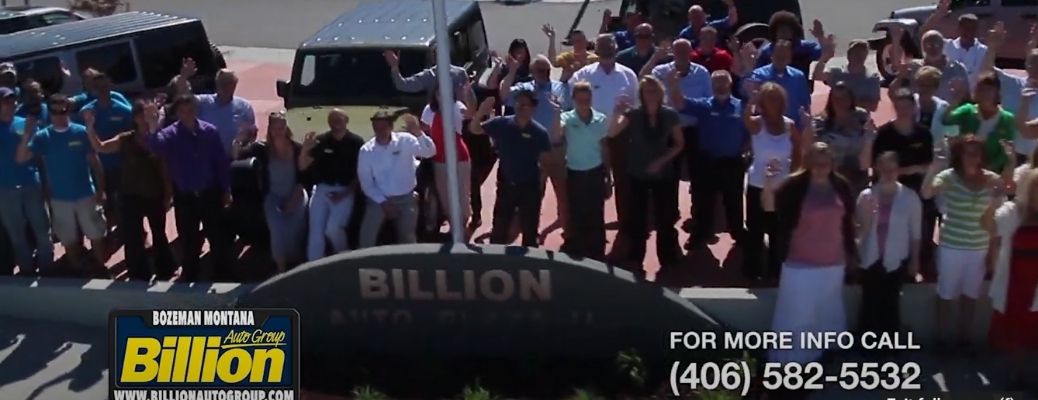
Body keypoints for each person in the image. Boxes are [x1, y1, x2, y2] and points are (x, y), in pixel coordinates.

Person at [765, 142, 857, 364]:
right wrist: (768, 181)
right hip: (800, 264)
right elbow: (768, 206)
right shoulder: (793, 186)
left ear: (832, 163)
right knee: (798, 316)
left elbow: (849, 221)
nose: (820, 167)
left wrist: (852, 250)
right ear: (808, 163)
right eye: (816, 162)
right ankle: (793, 364)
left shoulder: (841, 185)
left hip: (833, 262)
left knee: (828, 312)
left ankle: (823, 358)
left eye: (825, 162)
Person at [921, 135, 1013, 348]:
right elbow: (926, 193)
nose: (973, 157)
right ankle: (942, 340)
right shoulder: (948, 177)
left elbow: (1007, 189)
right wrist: (935, 165)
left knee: (970, 296)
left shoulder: (991, 179)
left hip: (979, 248)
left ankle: (965, 340)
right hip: (951, 247)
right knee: (946, 295)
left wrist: (1010, 161)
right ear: (959, 155)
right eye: (968, 153)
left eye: (977, 153)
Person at [143, 95, 233, 282]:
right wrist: (152, 125)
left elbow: (221, 163)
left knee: (217, 236)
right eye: (183, 111)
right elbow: (155, 146)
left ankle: (222, 274)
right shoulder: (170, 134)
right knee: (188, 239)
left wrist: (226, 189)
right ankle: (191, 274)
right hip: (186, 197)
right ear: (177, 113)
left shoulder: (210, 132)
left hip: (210, 193)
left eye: (190, 110)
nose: (187, 114)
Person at [83, 99, 175, 281]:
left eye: (148, 114)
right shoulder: (125, 139)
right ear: (134, 117)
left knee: (159, 232)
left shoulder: (159, 138)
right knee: (133, 237)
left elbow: (165, 168)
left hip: (154, 192)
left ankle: (165, 269)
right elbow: (100, 147)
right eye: (141, 114)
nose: (144, 118)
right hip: (130, 194)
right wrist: (90, 127)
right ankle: (139, 273)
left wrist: (168, 193)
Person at [16, 94, 107, 274]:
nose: (59, 115)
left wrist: (101, 189)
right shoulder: (43, 137)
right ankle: (76, 269)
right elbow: (21, 158)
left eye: (63, 110)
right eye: (54, 111)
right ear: (49, 112)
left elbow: (95, 162)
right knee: (68, 238)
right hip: (59, 199)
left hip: (86, 194)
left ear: (68, 111)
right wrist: (26, 135)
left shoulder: (81, 132)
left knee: (96, 234)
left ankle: (101, 267)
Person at [570, 34, 640, 253]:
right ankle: (591, 232)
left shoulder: (628, 75)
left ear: (616, 47)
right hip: (591, 136)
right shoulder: (583, 74)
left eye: (610, 45)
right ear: (596, 49)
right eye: (602, 46)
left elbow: (636, 107)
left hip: (620, 137)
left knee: (623, 183)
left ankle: (626, 227)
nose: (607, 49)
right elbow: (569, 101)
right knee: (591, 183)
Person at [608, 76, 685, 270]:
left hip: (663, 174)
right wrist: (616, 112)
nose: (651, 94)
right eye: (647, 91)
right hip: (637, 173)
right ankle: (635, 257)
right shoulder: (633, 114)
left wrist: (661, 161)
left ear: (661, 92)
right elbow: (612, 133)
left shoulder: (670, 115)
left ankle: (667, 257)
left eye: (654, 90)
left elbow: (679, 143)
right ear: (641, 94)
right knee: (637, 219)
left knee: (665, 218)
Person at [863, 88, 937, 276]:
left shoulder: (923, 134)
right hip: (889, 192)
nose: (903, 110)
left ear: (914, 108)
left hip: (918, 191)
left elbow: (929, 164)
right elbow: (876, 164)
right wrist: (904, 171)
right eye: (899, 106)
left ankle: (920, 269)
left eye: (907, 106)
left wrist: (914, 170)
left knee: (921, 233)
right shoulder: (885, 134)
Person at [742, 82, 811, 281]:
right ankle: (753, 269)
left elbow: (799, 150)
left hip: (781, 187)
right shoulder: (757, 123)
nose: (773, 101)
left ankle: (776, 270)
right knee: (755, 229)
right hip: (758, 185)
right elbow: (745, 119)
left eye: (776, 98)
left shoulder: (789, 125)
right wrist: (751, 102)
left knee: (779, 231)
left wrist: (794, 174)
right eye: (769, 97)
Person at [672, 70, 748, 249]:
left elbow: (751, 129)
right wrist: (674, 85)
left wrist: (746, 147)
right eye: (716, 83)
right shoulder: (704, 105)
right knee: (703, 201)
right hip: (707, 162)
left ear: (730, 84)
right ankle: (700, 234)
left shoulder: (742, 106)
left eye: (724, 83)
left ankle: (737, 232)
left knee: (734, 201)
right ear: (711, 86)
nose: (720, 86)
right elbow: (679, 102)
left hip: (732, 162)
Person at [500, 55, 573, 236]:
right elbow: (504, 95)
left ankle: (569, 235)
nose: (545, 74)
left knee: (564, 196)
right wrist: (512, 71)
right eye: (540, 71)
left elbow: (571, 112)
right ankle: (529, 234)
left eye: (547, 70)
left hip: (557, 149)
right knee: (532, 198)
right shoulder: (525, 91)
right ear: (532, 72)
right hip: (533, 152)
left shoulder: (561, 88)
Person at [469, 93, 552, 247]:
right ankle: (496, 260)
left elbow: (546, 162)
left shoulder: (539, 132)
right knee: (500, 226)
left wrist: (539, 187)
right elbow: (475, 129)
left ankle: (529, 263)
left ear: (533, 109)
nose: (521, 108)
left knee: (529, 228)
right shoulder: (502, 124)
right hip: (506, 184)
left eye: (525, 105)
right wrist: (480, 113)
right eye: (518, 103)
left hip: (529, 186)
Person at [856, 151, 923, 339]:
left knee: (891, 304)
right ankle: (867, 346)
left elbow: (916, 233)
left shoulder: (910, 197)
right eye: (884, 169)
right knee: (869, 302)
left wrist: (914, 262)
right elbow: (859, 228)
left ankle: (890, 347)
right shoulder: (866, 196)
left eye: (892, 169)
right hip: (870, 257)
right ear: (877, 169)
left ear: (898, 171)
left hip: (896, 259)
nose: (888, 173)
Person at [982, 168, 1038, 388]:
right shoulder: (1014, 211)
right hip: (1016, 280)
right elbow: (989, 227)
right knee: (1016, 330)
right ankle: (1017, 375)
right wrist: (993, 204)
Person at [232, 111, 306, 273]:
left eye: (282, 126)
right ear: (270, 128)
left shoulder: (297, 148)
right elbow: (237, 155)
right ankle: (281, 269)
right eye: (275, 127)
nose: (278, 130)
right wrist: (239, 140)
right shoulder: (262, 148)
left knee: (295, 229)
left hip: (295, 193)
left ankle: (298, 265)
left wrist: (293, 199)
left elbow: (304, 177)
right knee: (277, 229)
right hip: (273, 196)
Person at [357, 112, 436, 248]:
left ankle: (410, 267)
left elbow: (429, 152)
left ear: (391, 126)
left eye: (383, 127)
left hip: (406, 199)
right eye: (377, 128)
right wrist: (383, 203)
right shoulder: (366, 151)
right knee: (366, 237)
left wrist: (418, 133)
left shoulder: (406, 140)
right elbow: (366, 183)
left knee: (408, 238)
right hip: (379, 200)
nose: (380, 131)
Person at [556, 82, 613, 260]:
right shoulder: (566, 118)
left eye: (587, 100)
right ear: (573, 99)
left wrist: (608, 176)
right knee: (577, 213)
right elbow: (557, 134)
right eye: (579, 100)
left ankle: (597, 253)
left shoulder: (601, 119)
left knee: (596, 213)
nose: (583, 103)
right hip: (575, 174)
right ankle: (578, 253)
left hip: (596, 172)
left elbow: (604, 148)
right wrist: (554, 114)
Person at [298, 109, 365, 261]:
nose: (336, 123)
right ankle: (314, 267)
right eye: (333, 120)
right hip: (322, 189)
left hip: (345, 191)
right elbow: (303, 166)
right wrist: (304, 150)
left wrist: (346, 193)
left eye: (339, 120)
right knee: (316, 232)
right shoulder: (321, 141)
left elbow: (360, 173)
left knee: (333, 229)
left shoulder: (356, 142)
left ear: (346, 121)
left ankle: (344, 259)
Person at [0, 87, 52, 275]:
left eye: (13, 100)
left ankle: (47, 270)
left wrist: (46, 184)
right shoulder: (25, 126)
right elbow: (18, 157)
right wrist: (27, 135)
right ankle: (26, 270)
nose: (11, 104)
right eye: (6, 101)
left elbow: (38, 156)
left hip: (31, 184)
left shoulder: (25, 123)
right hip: (5, 189)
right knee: (17, 234)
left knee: (42, 230)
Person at [79, 72, 134, 228]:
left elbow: (132, 133)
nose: (102, 89)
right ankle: (109, 232)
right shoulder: (86, 112)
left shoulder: (123, 110)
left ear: (110, 86)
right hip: (98, 167)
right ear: (93, 89)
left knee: (126, 201)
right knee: (104, 201)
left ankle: (135, 231)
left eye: (105, 86)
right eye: (98, 87)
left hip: (121, 164)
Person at [980, 24, 1038, 166]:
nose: (1036, 68)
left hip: (1034, 159)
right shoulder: (1013, 83)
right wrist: (992, 48)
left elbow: (1026, 130)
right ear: (1026, 65)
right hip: (1007, 155)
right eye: (1033, 63)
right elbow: (986, 72)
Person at [422, 88, 472, 237]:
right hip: (439, 159)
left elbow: (469, 114)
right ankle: (453, 226)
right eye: (438, 93)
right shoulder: (429, 110)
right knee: (444, 195)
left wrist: (469, 94)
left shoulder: (457, 106)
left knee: (462, 193)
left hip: (460, 157)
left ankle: (463, 226)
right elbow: (424, 129)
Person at [942, 72, 1016, 173]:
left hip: (991, 173)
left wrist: (987, 170)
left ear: (997, 92)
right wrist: (956, 100)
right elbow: (946, 120)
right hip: (962, 170)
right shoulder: (967, 111)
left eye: (989, 90)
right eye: (981, 89)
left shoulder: (1007, 119)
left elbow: (1005, 153)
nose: (985, 93)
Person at [813, 82, 871, 193]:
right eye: (836, 98)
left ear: (851, 99)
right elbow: (815, 149)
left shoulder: (861, 117)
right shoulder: (821, 121)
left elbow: (870, 139)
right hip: (832, 177)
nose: (840, 102)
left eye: (844, 98)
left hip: (858, 176)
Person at [890, 27, 970, 101]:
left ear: (943, 46)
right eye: (928, 45)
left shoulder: (957, 69)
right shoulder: (913, 68)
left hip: (948, 114)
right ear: (922, 47)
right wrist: (900, 79)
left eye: (936, 44)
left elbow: (968, 99)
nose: (933, 48)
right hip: (920, 114)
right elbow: (896, 95)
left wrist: (960, 93)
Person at [745, 39, 811, 128]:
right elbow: (748, 95)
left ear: (789, 58)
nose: (781, 58)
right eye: (778, 55)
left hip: (793, 129)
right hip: (767, 129)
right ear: (772, 55)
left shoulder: (798, 76)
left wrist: (806, 126)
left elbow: (805, 104)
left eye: (784, 56)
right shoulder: (759, 75)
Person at [754, 13, 825, 93]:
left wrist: (821, 37)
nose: (784, 33)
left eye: (787, 30)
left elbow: (822, 54)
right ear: (775, 32)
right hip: (775, 93)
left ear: (794, 31)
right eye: (780, 30)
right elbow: (757, 75)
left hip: (801, 91)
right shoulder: (767, 52)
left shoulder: (806, 47)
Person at [919, 0, 988, 82]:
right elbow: (925, 34)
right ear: (958, 29)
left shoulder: (984, 51)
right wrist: (938, 14)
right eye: (965, 28)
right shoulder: (946, 46)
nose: (968, 31)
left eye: (972, 28)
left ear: (977, 30)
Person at [813, 39, 882, 112]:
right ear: (849, 54)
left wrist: (846, 101)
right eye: (855, 53)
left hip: (859, 120)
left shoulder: (872, 78)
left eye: (862, 53)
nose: (858, 57)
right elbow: (817, 76)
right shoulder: (837, 73)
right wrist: (824, 58)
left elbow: (873, 107)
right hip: (836, 119)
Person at [384, 49, 475, 104]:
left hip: (460, 115)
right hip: (437, 116)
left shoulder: (460, 73)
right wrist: (394, 67)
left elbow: (469, 96)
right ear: (433, 57)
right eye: (436, 54)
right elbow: (403, 85)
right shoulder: (429, 76)